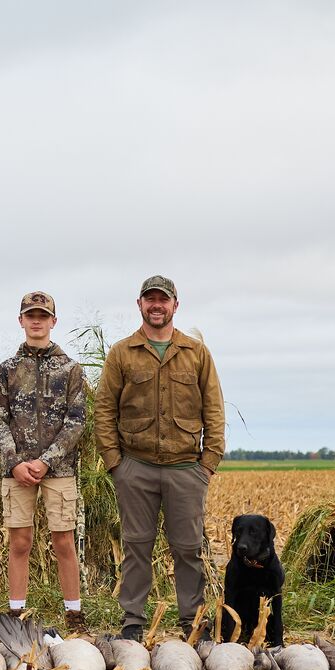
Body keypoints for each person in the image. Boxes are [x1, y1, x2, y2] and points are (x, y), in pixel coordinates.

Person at [95, 274, 226, 640]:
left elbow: (214, 409)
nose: (157, 306)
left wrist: (208, 463)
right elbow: (104, 409)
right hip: (135, 467)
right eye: (149, 299)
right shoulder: (122, 352)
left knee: (188, 549)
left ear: (175, 306)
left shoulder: (196, 353)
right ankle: (133, 622)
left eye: (163, 300)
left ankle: (192, 622)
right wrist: (115, 462)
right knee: (136, 547)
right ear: (139, 305)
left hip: (186, 468)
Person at [0, 290, 89, 625]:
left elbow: (76, 421)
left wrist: (47, 459)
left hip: (59, 469)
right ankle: (16, 613)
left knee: (63, 540)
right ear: (21, 321)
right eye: (30, 315)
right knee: (20, 541)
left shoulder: (71, 369)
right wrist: (14, 462)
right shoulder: (7, 370)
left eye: (42, 316)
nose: (36, 321)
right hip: (15, 470)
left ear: (53, 322)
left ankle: (73, 614)